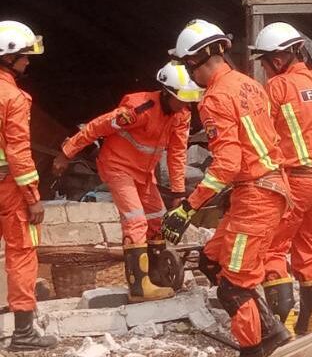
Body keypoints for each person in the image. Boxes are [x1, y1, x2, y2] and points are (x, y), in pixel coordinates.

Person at [161, 19, 292, 356]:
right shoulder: (249, 84)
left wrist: (188, 207)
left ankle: (254, 348)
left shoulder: (215, 98)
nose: (189, 73)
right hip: (261, 189)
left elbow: (228, 164)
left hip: (256, 197)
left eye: (187, 65)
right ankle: (272, 331)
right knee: (211, 259)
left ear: (197, 59)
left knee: (234, 286)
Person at [53, 62, 201, 303]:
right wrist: (67, 152)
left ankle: (156, 277)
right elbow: (97, 127)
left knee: (157, 221)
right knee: (136, 221)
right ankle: (139, 287)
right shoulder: (138, 110)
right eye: (182, 99)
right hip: (117, 166)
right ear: (167, 93)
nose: (186, 104)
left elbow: (177, 153)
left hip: (144, 172)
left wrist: (178, 192)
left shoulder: (181, 115)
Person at [249, 22, 312, 336]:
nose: (264, 70)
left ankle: (282, 323)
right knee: (308, 249)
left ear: (277, 60)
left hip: (299, 180)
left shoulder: (278, 87)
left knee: (273, 249)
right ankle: (311, 318)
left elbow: (261, 136)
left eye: (264, 63)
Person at [0, 21, 59, 351]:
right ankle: (23, 334)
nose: (27, 61)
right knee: (22, 253)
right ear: (8, 57)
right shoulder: (13, 97)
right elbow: (19, 153)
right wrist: (33, 197)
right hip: (8, 186)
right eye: (23, 55)